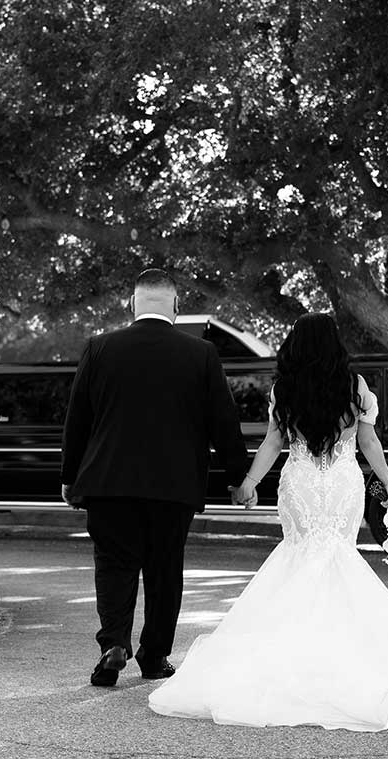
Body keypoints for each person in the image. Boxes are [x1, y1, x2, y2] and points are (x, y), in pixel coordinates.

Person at [148, 312, 388, 730]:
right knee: (338, 558)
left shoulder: (285, 389)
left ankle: (291, 660)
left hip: (301, 482)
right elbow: (368, 440)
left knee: (298, 556)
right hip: (344, 483)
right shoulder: (354, 387)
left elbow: (275, 440)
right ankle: (345, 659)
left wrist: (250, 482)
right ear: (334, 346)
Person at [61, 269, 249, 688]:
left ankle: (113, 644)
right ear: (177, 307)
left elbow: (78, 420)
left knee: (113, 566)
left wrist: (70, 475)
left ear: (132, 304)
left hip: (109, 484)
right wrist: (239, 477)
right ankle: (154, 655)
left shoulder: (99, 348)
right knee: (165, 570)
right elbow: (224, 423)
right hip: (173, 487)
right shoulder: (200, 354)